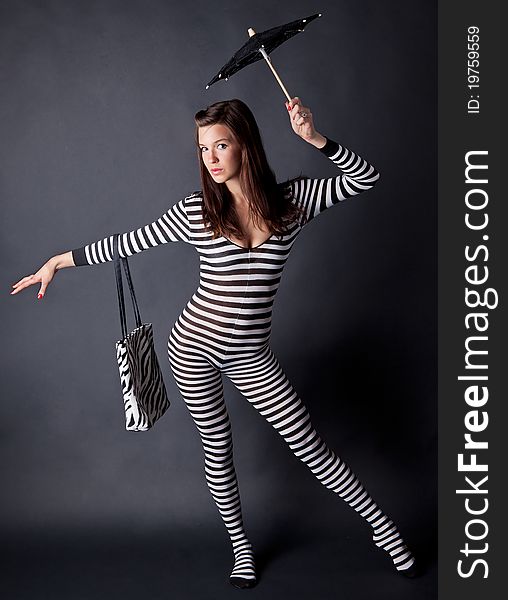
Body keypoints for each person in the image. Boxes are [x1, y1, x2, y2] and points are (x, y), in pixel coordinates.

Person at [11, 96, 417, 588]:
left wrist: (315, 139)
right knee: (217, 451)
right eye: (203, 149)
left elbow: (366, 178)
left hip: (252, 357)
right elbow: (124, 244)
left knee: (311, 448)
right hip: (192, 348)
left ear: (245, 144)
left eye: (221, 145)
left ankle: (388, 536)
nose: (211, 158)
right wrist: (57, 260)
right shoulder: (197, 213)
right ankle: (241, 551)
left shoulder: (293, 203)